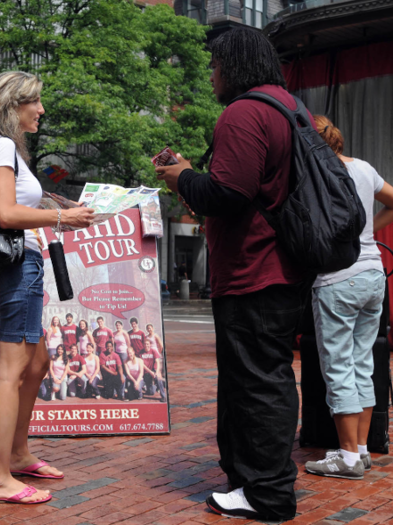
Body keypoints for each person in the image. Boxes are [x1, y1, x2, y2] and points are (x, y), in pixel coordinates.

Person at [156, 28, 315, 521]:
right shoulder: (292, 109)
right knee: (262, 379)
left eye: (215, 66)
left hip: (255, 272)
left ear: (235, 66)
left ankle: (267, 494)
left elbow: (229, 192)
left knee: (258, 383)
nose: (211, 75)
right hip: (280, 268)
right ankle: (249, 479)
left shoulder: (246, 112)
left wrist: (181, 175)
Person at [0, 71, 94, 504]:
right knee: (10, 373)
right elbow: (5, 213)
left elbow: (18, 201)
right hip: (15, 267)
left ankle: (19, 454)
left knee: (37, 363)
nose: (41, 110)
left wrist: (62, 205)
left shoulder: (5, 149)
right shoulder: (2, 145)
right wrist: (63, 219)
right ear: (13, 104)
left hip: (15, 267)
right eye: (35, 102)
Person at [304, 116, 393, 479]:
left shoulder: (312, 174)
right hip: (373, 275)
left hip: (337, 278)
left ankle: (347, 457)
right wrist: (368, 230)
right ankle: (359, 450)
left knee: (339, 366)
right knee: (363, 364)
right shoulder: (364, 168)